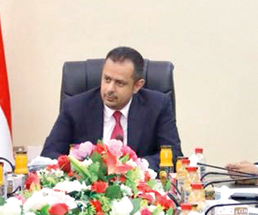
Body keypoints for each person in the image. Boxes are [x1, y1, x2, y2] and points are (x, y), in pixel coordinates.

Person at [41, 46, 182, 170]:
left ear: (137, 86)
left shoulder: (158, 106)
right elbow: (49, 155)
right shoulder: (75, 107)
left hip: (140, 187)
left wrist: (137, 167)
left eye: (120, 83)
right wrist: (81, 168)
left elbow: (174, 154)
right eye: (107, 79)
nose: (109, 89)